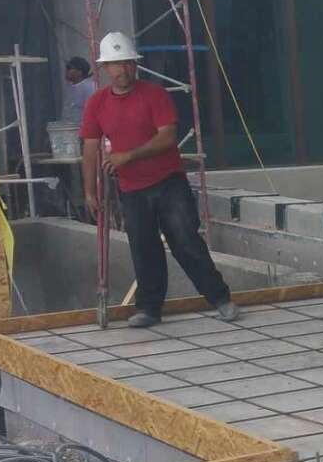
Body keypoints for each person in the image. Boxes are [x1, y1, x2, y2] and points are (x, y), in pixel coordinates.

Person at [79, 31, 238, 327]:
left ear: (134, 65)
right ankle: (149, 309)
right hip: (132, 189)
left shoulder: (155, 94)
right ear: (104, 69)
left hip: (168, 182)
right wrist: (89, 192)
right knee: (143, 247)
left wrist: (128, 156)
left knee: (186, 241)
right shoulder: (97, 104)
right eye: (115, 65)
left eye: (127, 63)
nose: (122, 70)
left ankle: (220, 298)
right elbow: (89, 148)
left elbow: (167, 137)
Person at [62, 56, 96, 126]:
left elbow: (94, 114)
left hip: (83, 131)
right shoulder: (70, 86)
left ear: (79, 72)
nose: (66, 71)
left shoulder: (89, 87)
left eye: (69, 68)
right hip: (69, 131)